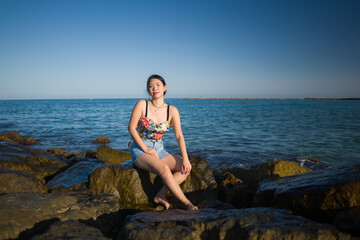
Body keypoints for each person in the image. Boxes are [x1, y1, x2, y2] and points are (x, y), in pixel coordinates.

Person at [128, 74, 198, 211]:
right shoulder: (142, 104)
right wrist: (145, 148)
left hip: (160, 149)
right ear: (148, 90)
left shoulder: (172, 110)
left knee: (185, 169)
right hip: (140, 148)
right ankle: (187, 203)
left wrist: (186, 159)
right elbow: (131, 128)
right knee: (164, 169)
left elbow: (179, 135)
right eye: (151, 86)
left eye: (158, 85)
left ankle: (161, 195)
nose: (154, 88)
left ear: (165, 88)